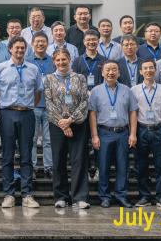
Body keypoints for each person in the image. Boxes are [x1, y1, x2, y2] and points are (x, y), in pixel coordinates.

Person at [0, 37, 42, 208]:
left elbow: (38, 92)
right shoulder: (0, 68)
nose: (20, 51)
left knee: (26, 155)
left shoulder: (33, 69)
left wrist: (28, 105)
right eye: (17, 48)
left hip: (27, 114)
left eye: (22, 48)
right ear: (10, 49)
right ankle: (9, 194)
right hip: (7, 113)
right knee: (7, 155)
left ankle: (27, 194)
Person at [43, 47, 90, 209]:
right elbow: (48, 103)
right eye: (58, 60)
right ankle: (61, 196)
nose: (61, 62)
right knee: (58, 160)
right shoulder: (48, 79)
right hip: (57, 125)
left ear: (70, 59)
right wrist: (63, 124)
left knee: (79, 160)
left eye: (64, 59)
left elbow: (84, 101)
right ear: (54, 62)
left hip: (78, 124)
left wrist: (70, 120)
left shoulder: (80, 78)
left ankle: (80, 197)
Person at [88, 60, 137, 208]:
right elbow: (92, 114)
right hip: (104, 132)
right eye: (107, 70)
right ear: (102, 73)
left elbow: (132, 112)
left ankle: (121, 195)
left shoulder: (127, 90)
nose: (111, 72)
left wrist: (133, 134)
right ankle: (104, 196)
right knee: (103, 166)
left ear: (119, 73)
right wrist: (94, 135)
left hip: (123, 132)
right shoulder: (96, 91)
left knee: (123, 166)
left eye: (114, 69)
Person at [130, 60, 161, 207]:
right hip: (141, 130)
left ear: (155, 70)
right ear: (141, 71)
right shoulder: (134, 90)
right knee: (141, 165)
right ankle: (144, 196)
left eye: (151, 68)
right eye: (145, 68)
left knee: (160, 165)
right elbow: (133, 113)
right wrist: (133, 133)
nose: (148, 70)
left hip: (159, 130)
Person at [26, 33, 54, 181]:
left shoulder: (53, 61)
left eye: (43, 41)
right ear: (32, 44)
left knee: (48, 139)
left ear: (47, 43)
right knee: (32, 139)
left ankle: (49, 167)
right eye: (37, 42)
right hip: (33, 105)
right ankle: (33, 167)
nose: (40, 44)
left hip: (50, 105)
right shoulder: (27, 62)